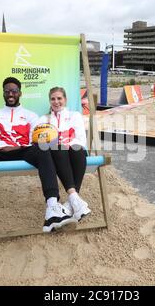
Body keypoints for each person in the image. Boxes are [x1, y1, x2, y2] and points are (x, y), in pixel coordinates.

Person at [0, 77, 77, 254]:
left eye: (14, 91)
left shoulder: (30, 116)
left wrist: (19, 146)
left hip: (23, 150)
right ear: (4, 93)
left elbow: (37, 139)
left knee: (43, 149)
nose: (10, 94)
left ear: (20, 93)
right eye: (7, 91)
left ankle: (52, 208)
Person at [37, 87, 91, 221]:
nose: (56, 102)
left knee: (78, 149)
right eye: (53, 99)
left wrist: (67, 145)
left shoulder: (75, 115)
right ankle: (76, 201)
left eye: (59, 98)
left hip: (74, 152)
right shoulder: (44, 119)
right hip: (56, 154)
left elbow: (81, 140)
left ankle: (71, 203)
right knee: (58, 148)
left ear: (65, 100)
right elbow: (39, 141)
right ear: (49, 101)